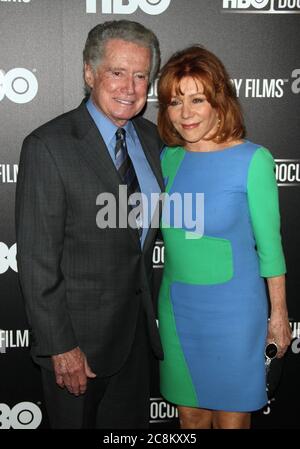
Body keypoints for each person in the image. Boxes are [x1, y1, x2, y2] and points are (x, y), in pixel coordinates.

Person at [15, 20, 164, 429]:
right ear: (89, 73)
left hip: (134, 340)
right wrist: (61, 347)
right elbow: (37, 261)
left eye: (140, 76)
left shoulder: (154, 140)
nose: (129, 88)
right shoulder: (49, 146)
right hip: (77, 348)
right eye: (117, 72)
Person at [157, 46, 292, 429]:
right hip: (178, 311)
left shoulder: (253, 160)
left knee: (232, 421)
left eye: (197, 99)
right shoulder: (168, 159)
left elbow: (271, 248)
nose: (185, 113)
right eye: (174, 101)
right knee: (191, 417)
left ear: (219, 100)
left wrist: (278, 315)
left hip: (235, 316)